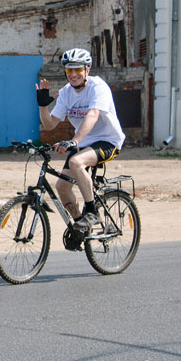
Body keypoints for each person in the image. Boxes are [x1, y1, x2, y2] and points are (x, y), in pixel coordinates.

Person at [36, 48, 126, 234]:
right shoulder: (66, 92)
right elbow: (50, 124)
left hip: (108, 141)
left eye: (77, 69)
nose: (73, 74)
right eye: (69, 70)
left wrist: (74, 141)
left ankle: (92, 212)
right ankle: (80, 227)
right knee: (62, 187)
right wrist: (43, 106)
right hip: (84, 143)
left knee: (76, 162)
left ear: (87, 69)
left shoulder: (97, 87)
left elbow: (93, 115)